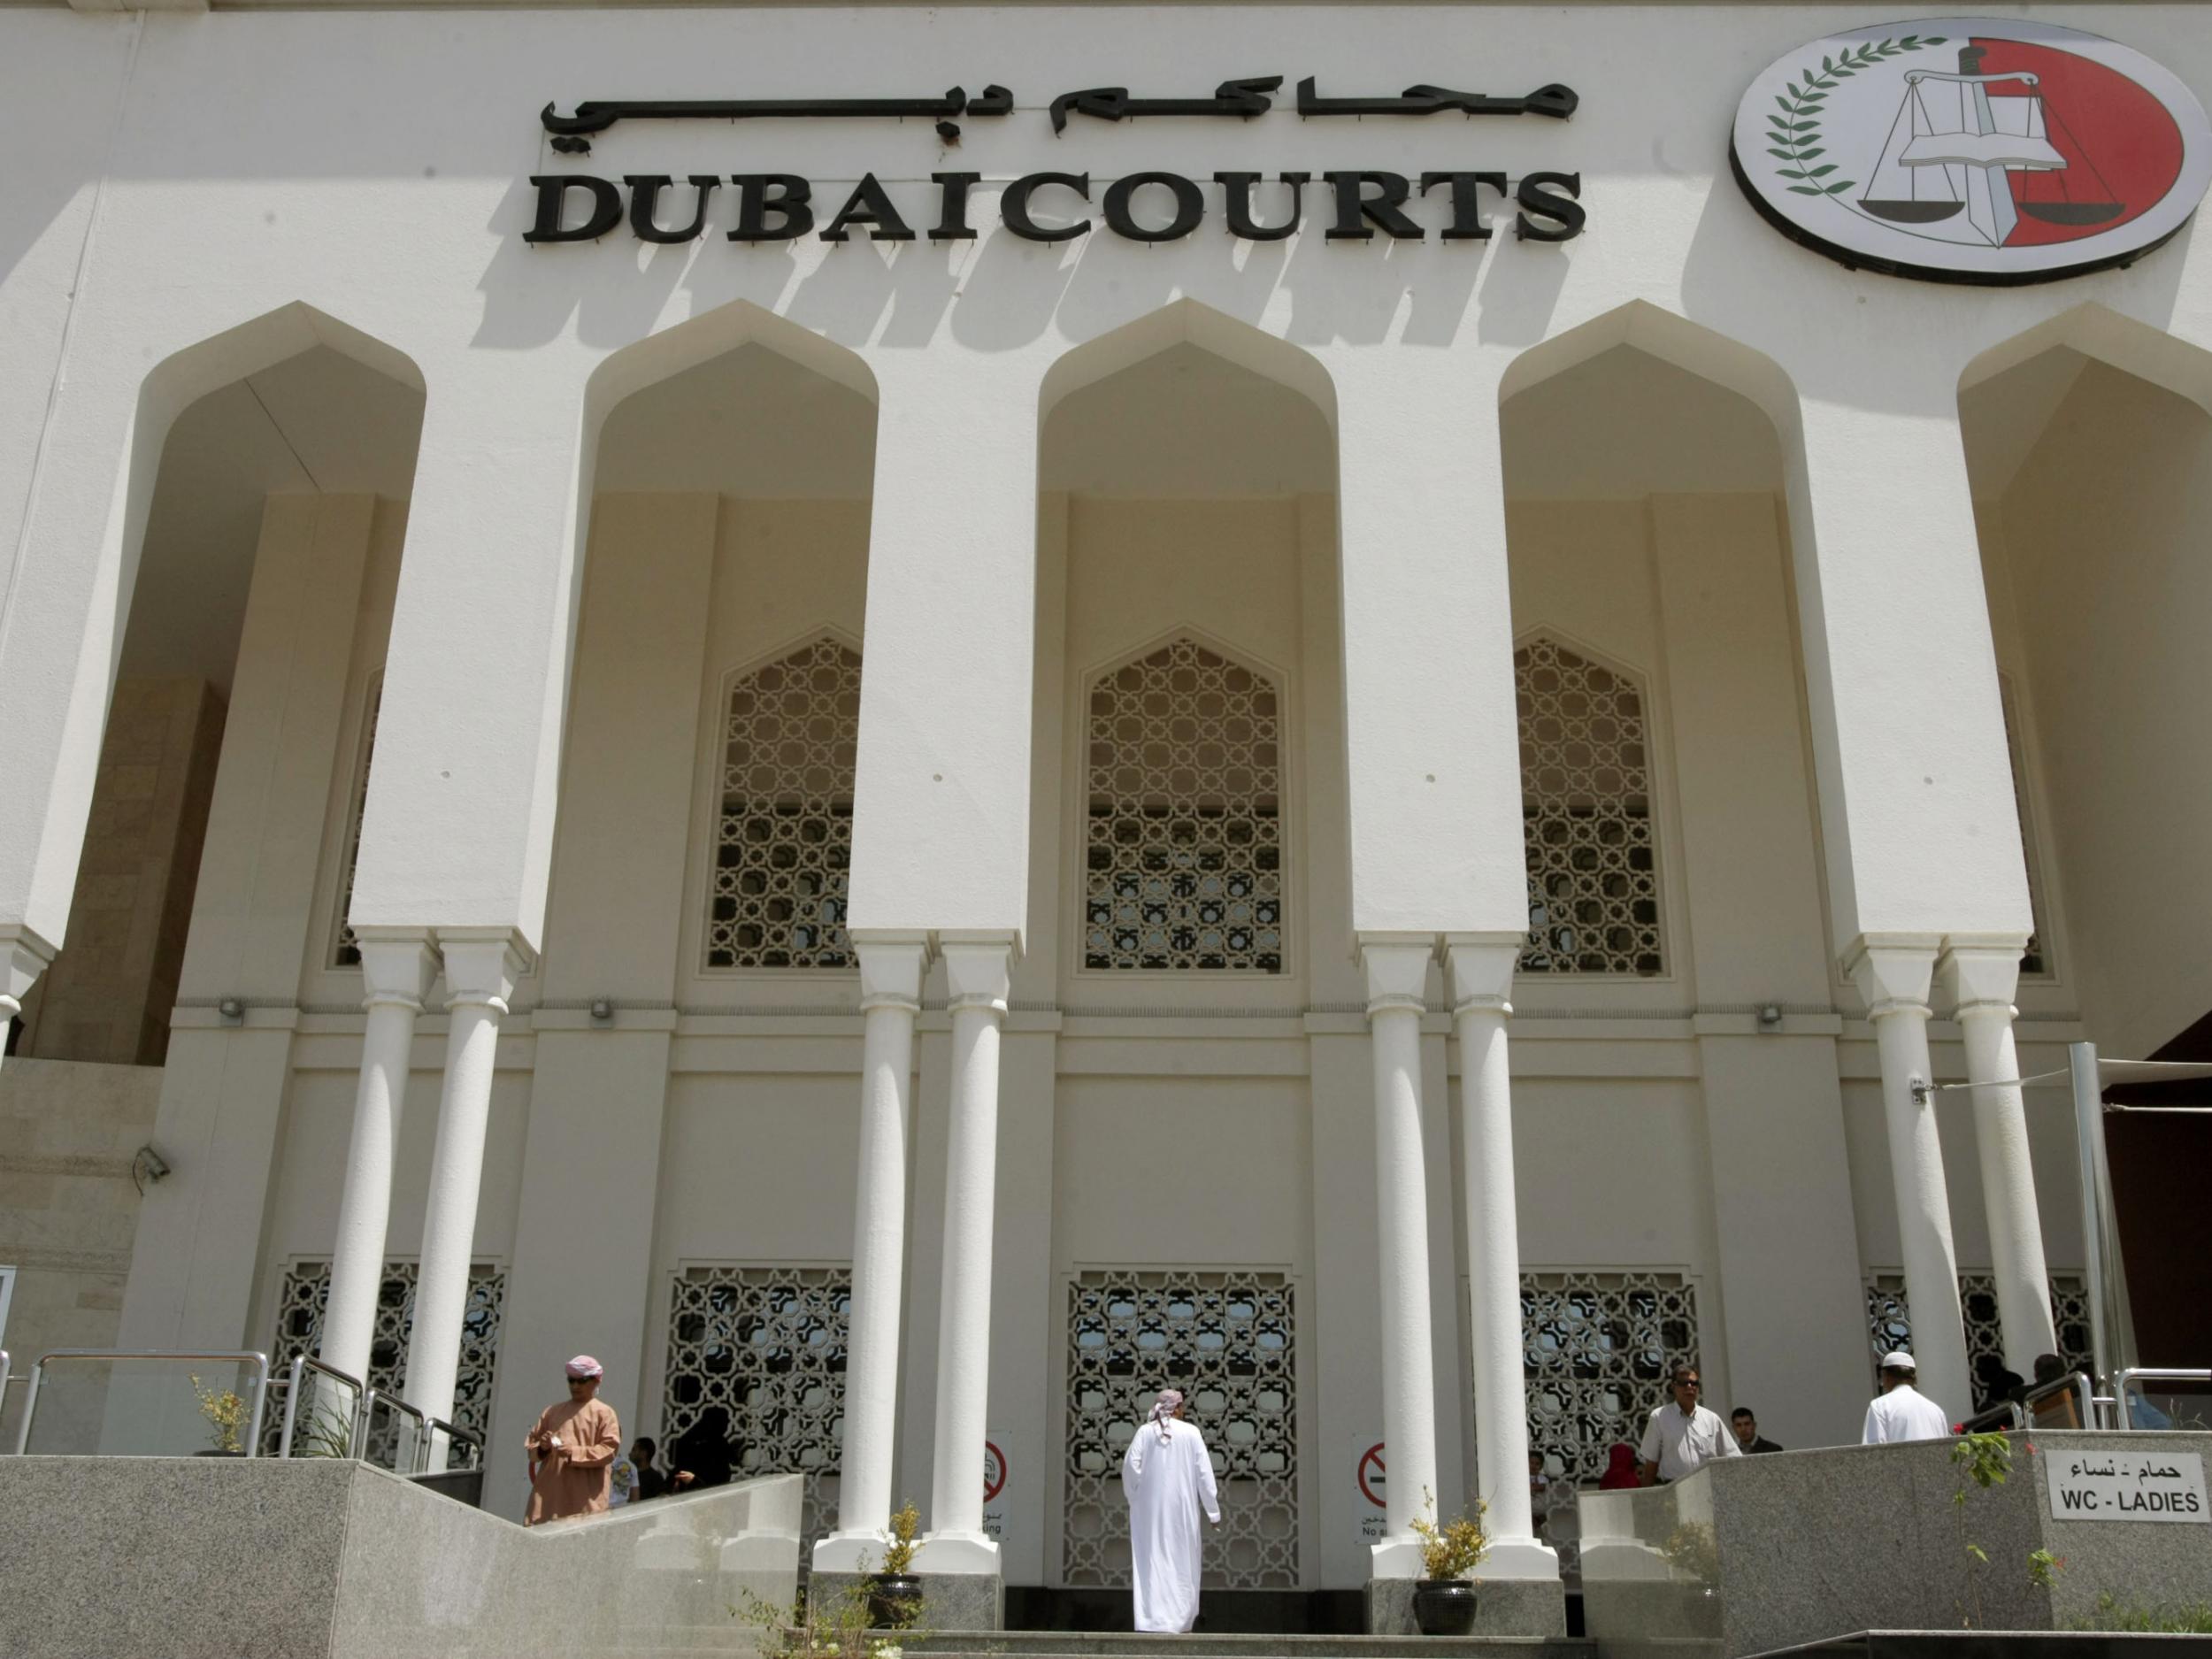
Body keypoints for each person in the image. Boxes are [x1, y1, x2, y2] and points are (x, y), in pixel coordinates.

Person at [1121, 1388, 1221, 1633]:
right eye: (1182, 1406)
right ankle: (1180, 1620)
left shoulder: (1145, 1433)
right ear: (1176, 1408)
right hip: (1183, 1511)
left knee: (1152, 1559)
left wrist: (1134, 1498)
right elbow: (1205, 1476)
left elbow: (1130, 1468)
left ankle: (1152, 1619)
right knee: (1182, 1559)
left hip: (1149, 1513)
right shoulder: (1192, 1433)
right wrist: (1213, 1512)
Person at [524, 1355, 624, 1525]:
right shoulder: (552, 1412)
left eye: (582, 1381)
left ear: (595, 1381)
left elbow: (608, 1451)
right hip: (548, 1498)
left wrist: (573, 1452)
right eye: (571, 1381)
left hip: (584, 1501)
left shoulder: (605, 1414)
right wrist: (544, 1447)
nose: (575, 1386)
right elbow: (531, 1451)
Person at [1639, 1363, 1741, 1486]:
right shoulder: (1659, 1417)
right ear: (1673, 1386)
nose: (1689, 1386)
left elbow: (1733, 1458)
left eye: (1694, 1383)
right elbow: (1651, 1464)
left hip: (1707, 1490)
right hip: (1674, 1490)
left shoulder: (1712, 1419)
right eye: (1683, 1383)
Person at [1862, 1350, 1953, 1444]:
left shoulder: (1879, 1406)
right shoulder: (1936, 1410)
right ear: (1914, 1378)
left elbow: (1873, 1451)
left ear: (1886, 1377)